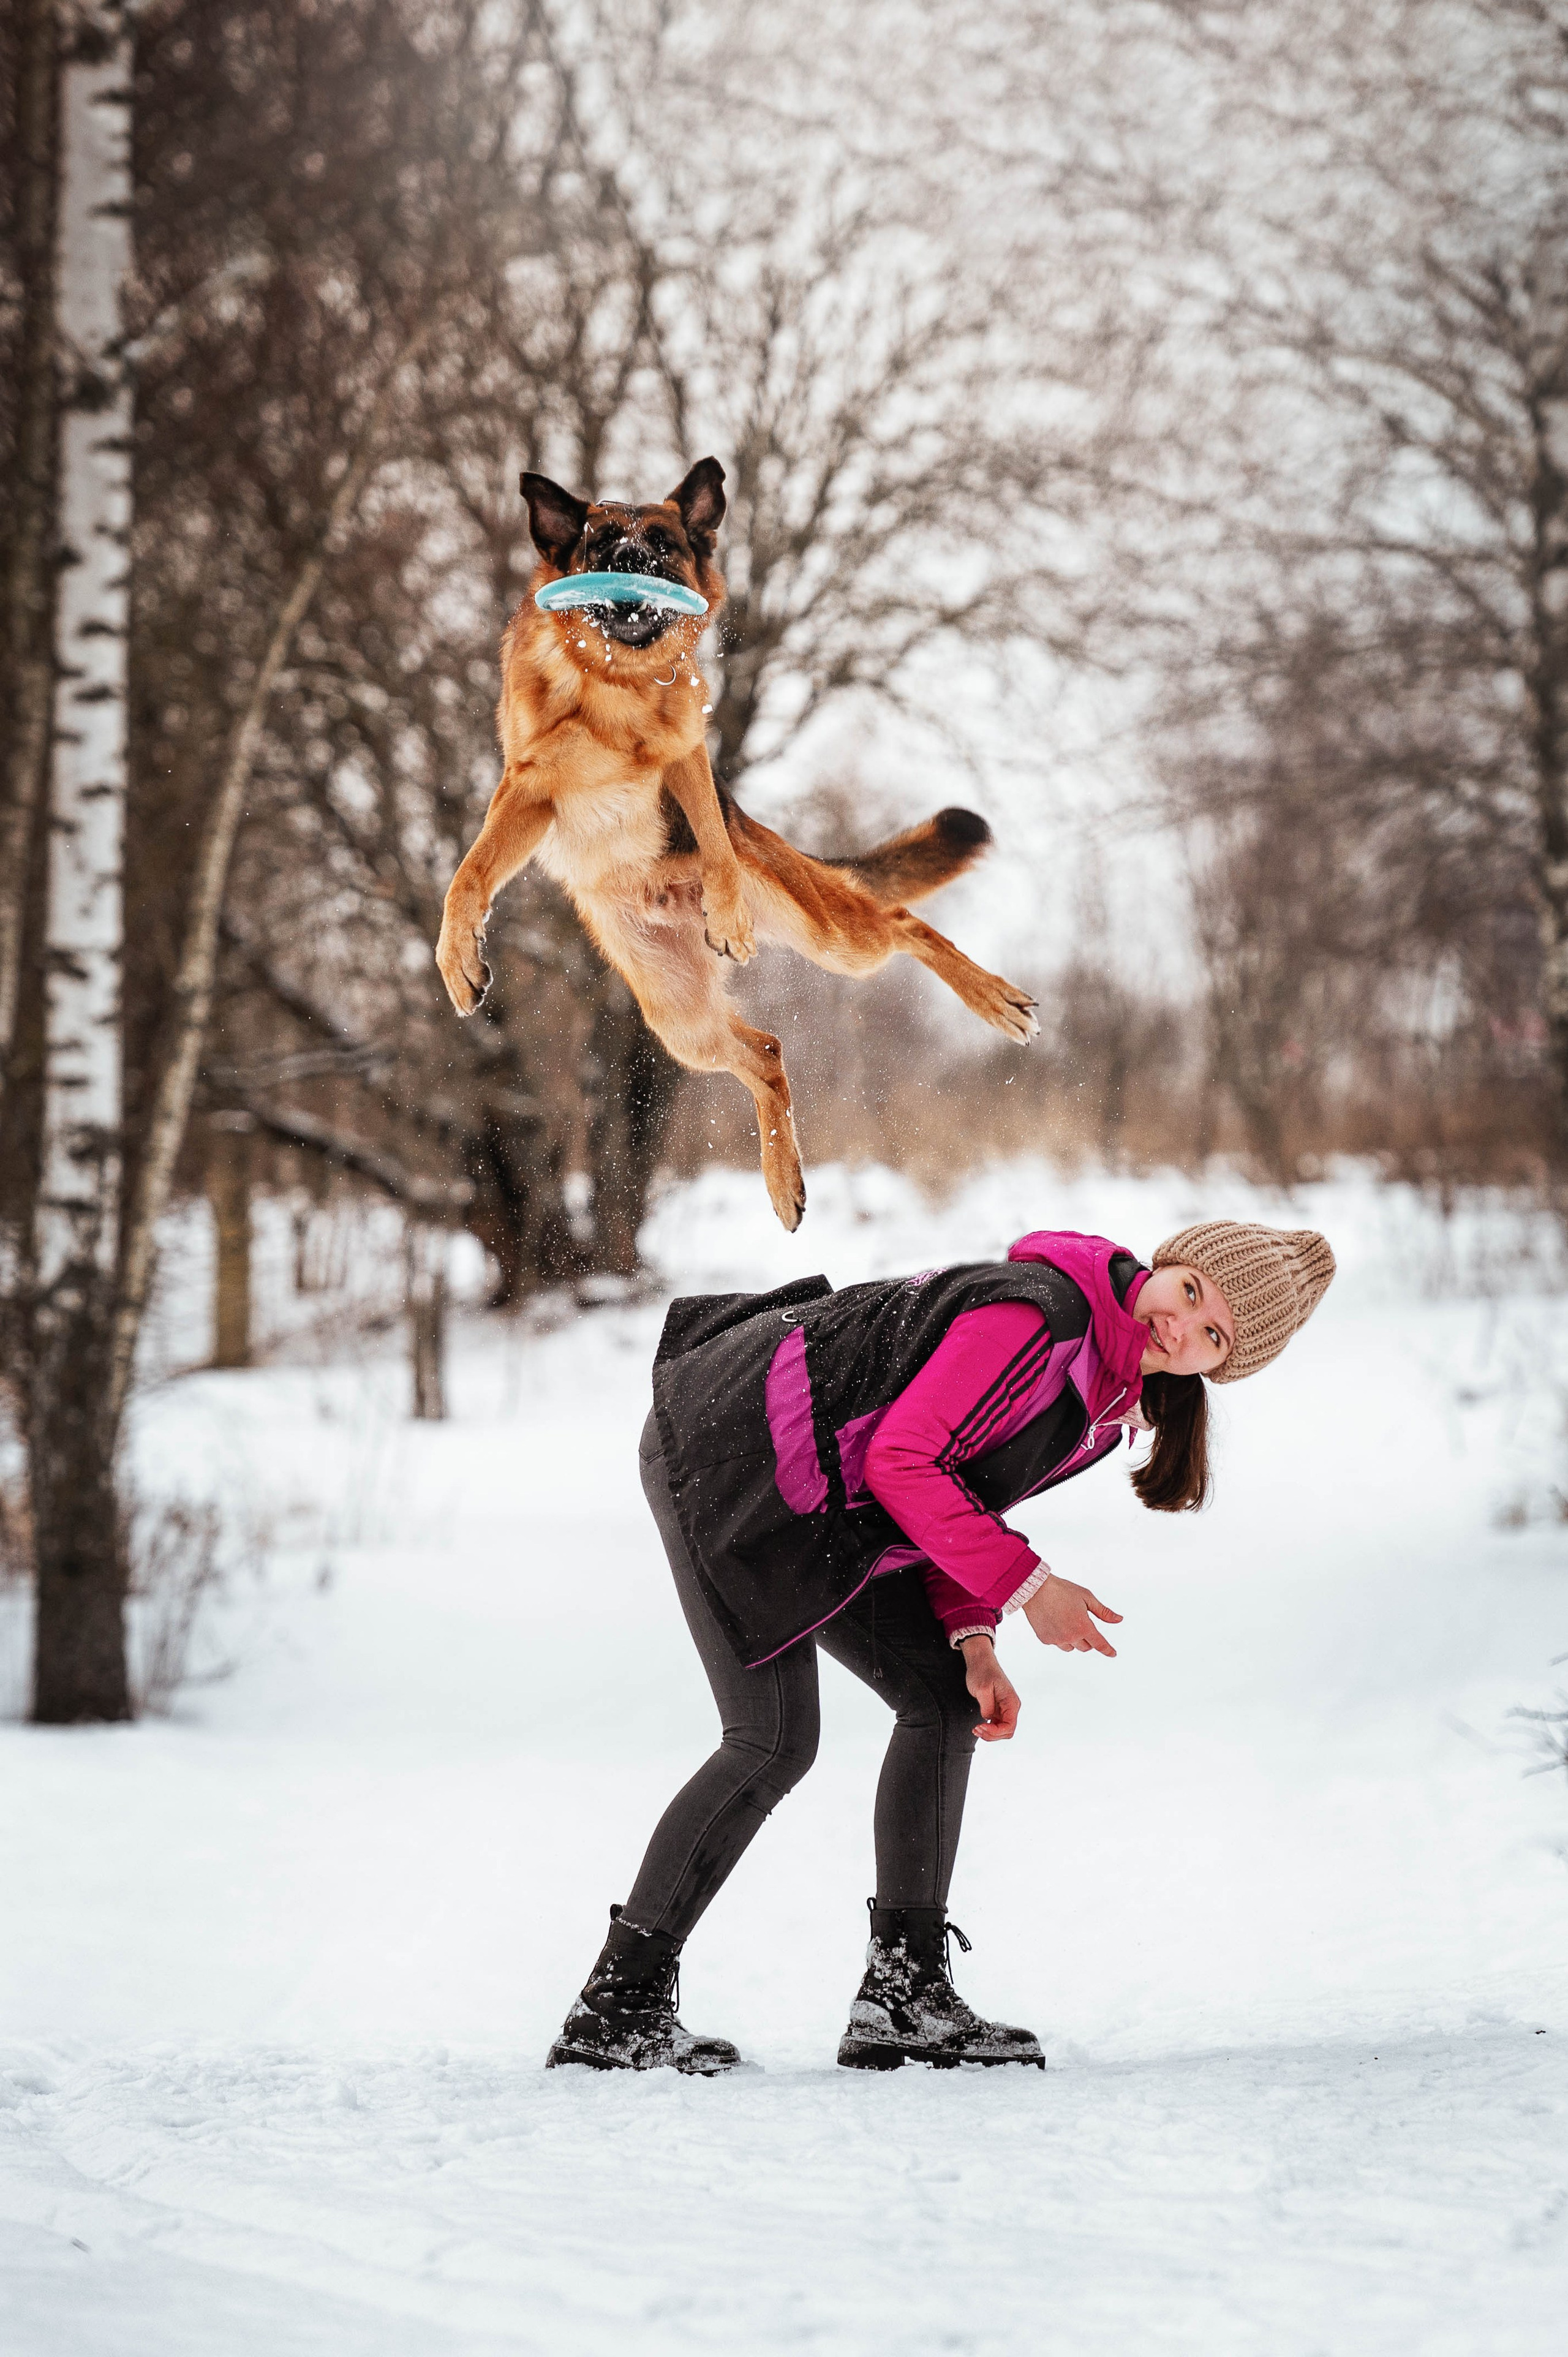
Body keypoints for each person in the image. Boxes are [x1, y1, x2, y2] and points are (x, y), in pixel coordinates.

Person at [546, 1218, 1335, 2075]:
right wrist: (1028, 1586)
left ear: (1218, 1369)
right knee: (771, 1738)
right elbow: (905, 1461)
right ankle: (616, 2007)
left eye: (1213, 1337)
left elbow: (960, 1488)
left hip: (828, 1484)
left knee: (942, 1700)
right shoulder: (1043, 1317)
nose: (1181, 1329)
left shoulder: (1103, 1401)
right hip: (739, 1446)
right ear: (1170, 1264)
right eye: (1190, 1293)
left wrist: (973, 1635)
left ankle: (904, 1997)